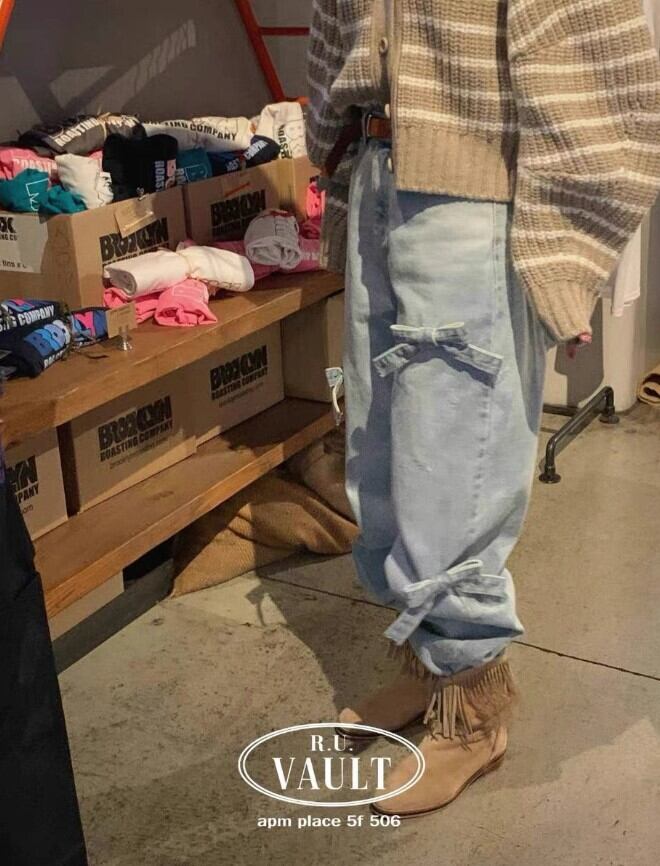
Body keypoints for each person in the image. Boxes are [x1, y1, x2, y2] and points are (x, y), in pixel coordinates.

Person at [306, 0, 660, 818]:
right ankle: (429, 670)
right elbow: (335, 26)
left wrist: (565, 243)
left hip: (469, 190)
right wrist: (335, 155)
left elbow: (596, 51)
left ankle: (472, 715)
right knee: (379, 457)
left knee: (453, 468)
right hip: (374, 168)